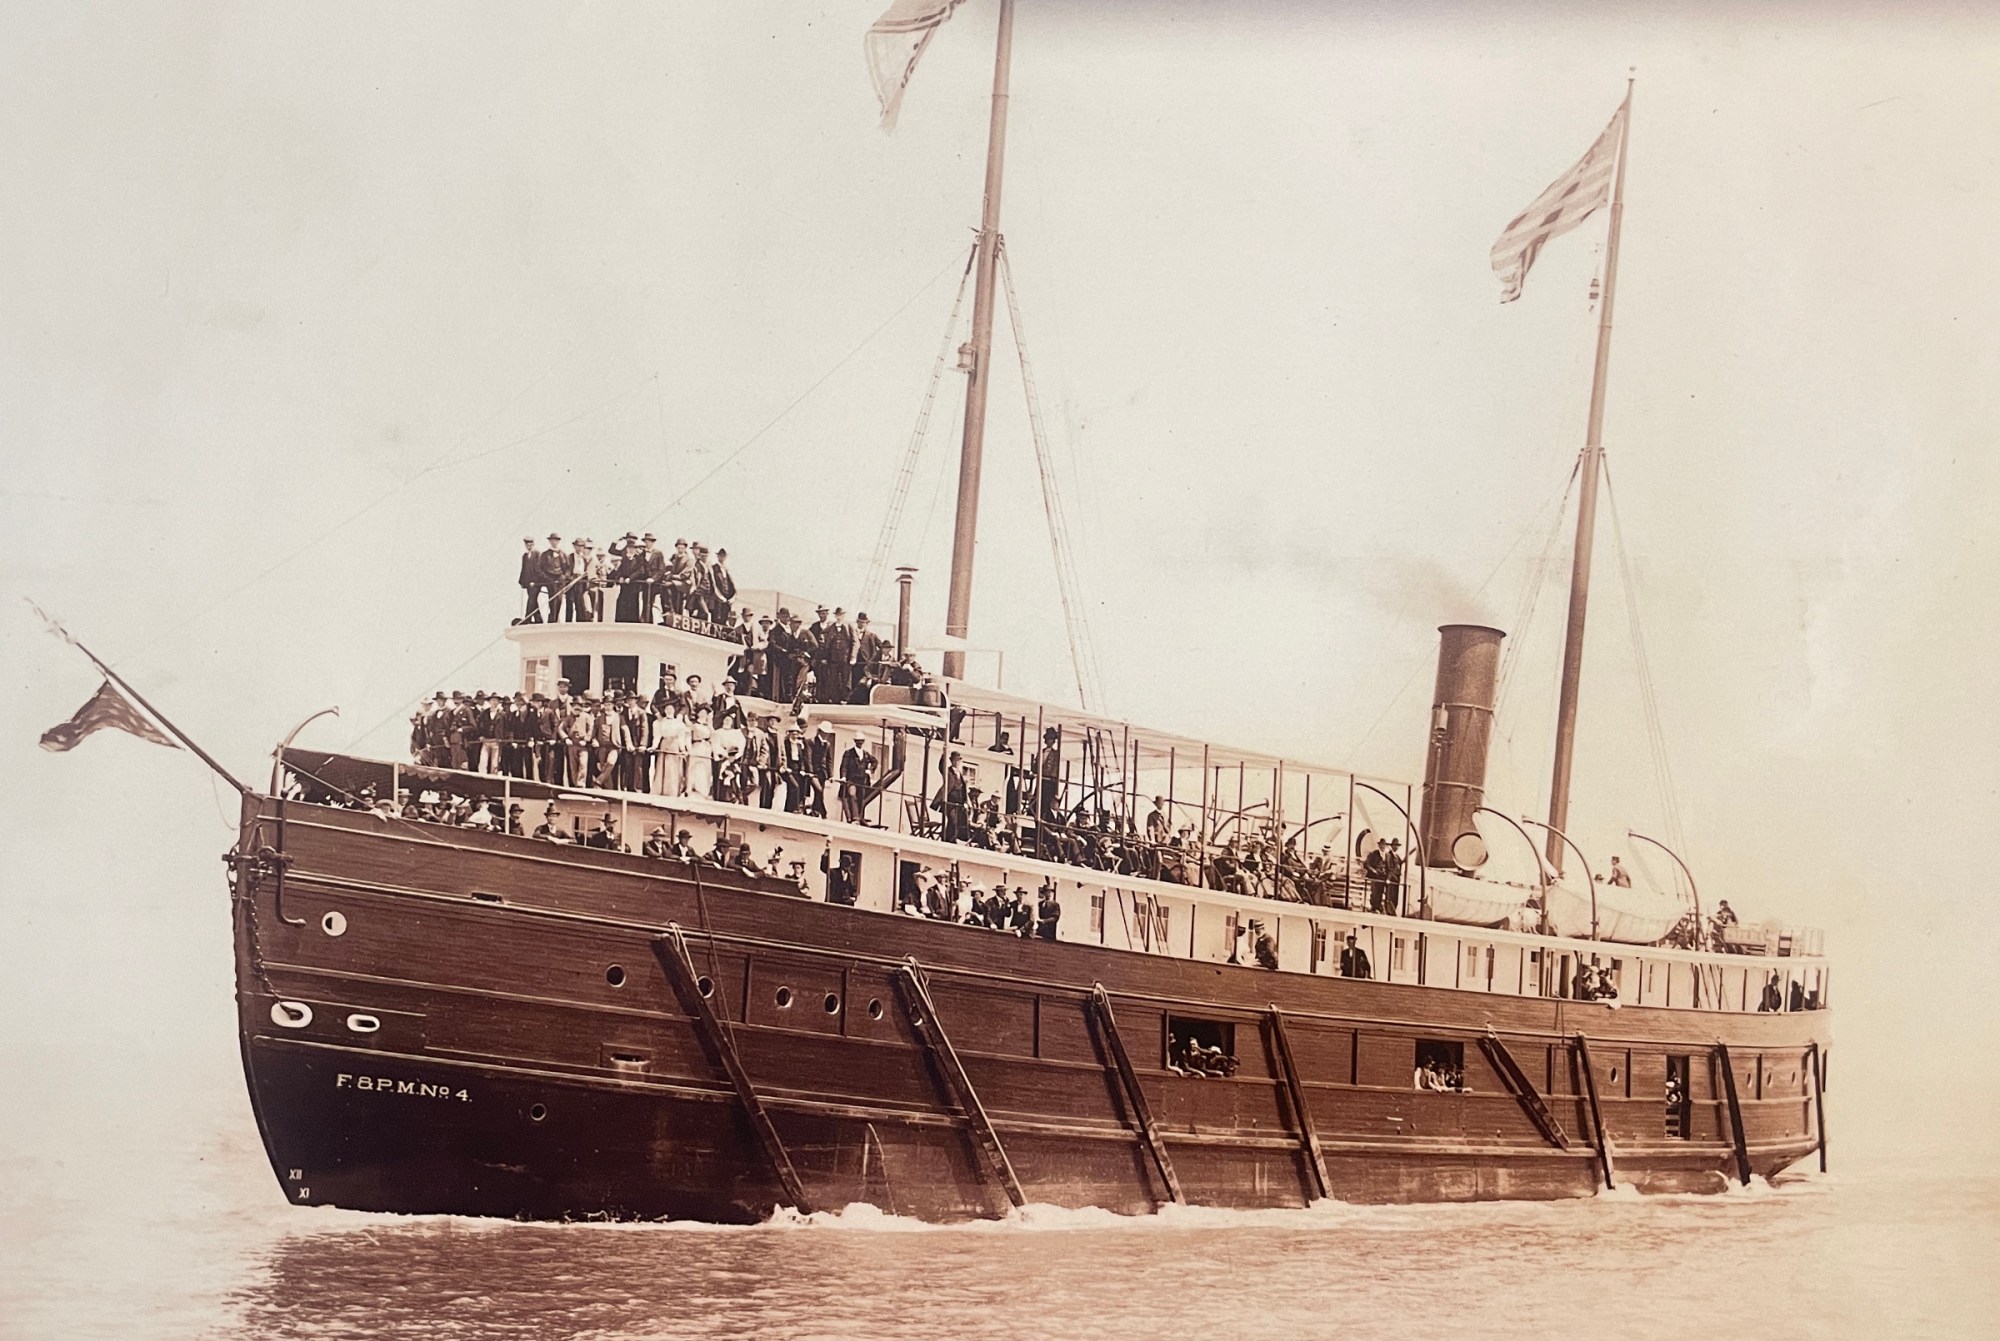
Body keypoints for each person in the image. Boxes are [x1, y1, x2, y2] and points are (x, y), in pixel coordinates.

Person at [839, 732, 875, 824]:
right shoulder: (849, 753)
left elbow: (875, 762)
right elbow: (844, 766)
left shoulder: (866, 754)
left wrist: (869, 770)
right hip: (852, 779)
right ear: (855, 741)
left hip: (862, 780)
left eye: (861, 741)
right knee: (852, 795)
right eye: (858, 741)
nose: (860, 743)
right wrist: (843, 777)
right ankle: (855, 818)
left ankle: (859, 817)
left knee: (860, 798)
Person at [517, 537, 547, 624]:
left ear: (533, 545)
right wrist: (521, 581)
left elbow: (539, 569)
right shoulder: (525, 556)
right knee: (533, 600)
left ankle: (527, 619)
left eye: (530, 545)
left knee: (531, 599)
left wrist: (536, 581)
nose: (529, 547)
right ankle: (538, 619)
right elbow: (524, 569)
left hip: (536, 583)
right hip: (528, 583)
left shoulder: (538, 554)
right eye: (527, 545)